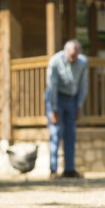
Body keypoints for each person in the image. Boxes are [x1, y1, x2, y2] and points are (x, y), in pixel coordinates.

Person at [45, 39, 88, 179]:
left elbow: (83, 85)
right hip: (56, 97)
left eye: (76, 56)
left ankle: (69, 169)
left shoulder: (82, 62)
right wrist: (52, 109)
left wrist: (79, 105)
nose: (73, 59)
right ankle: (53, 170)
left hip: (72, 99)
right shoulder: (55, 61)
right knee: (55, 132)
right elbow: (52, 87)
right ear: (65, 52)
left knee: (71, 134)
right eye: (71, 56)